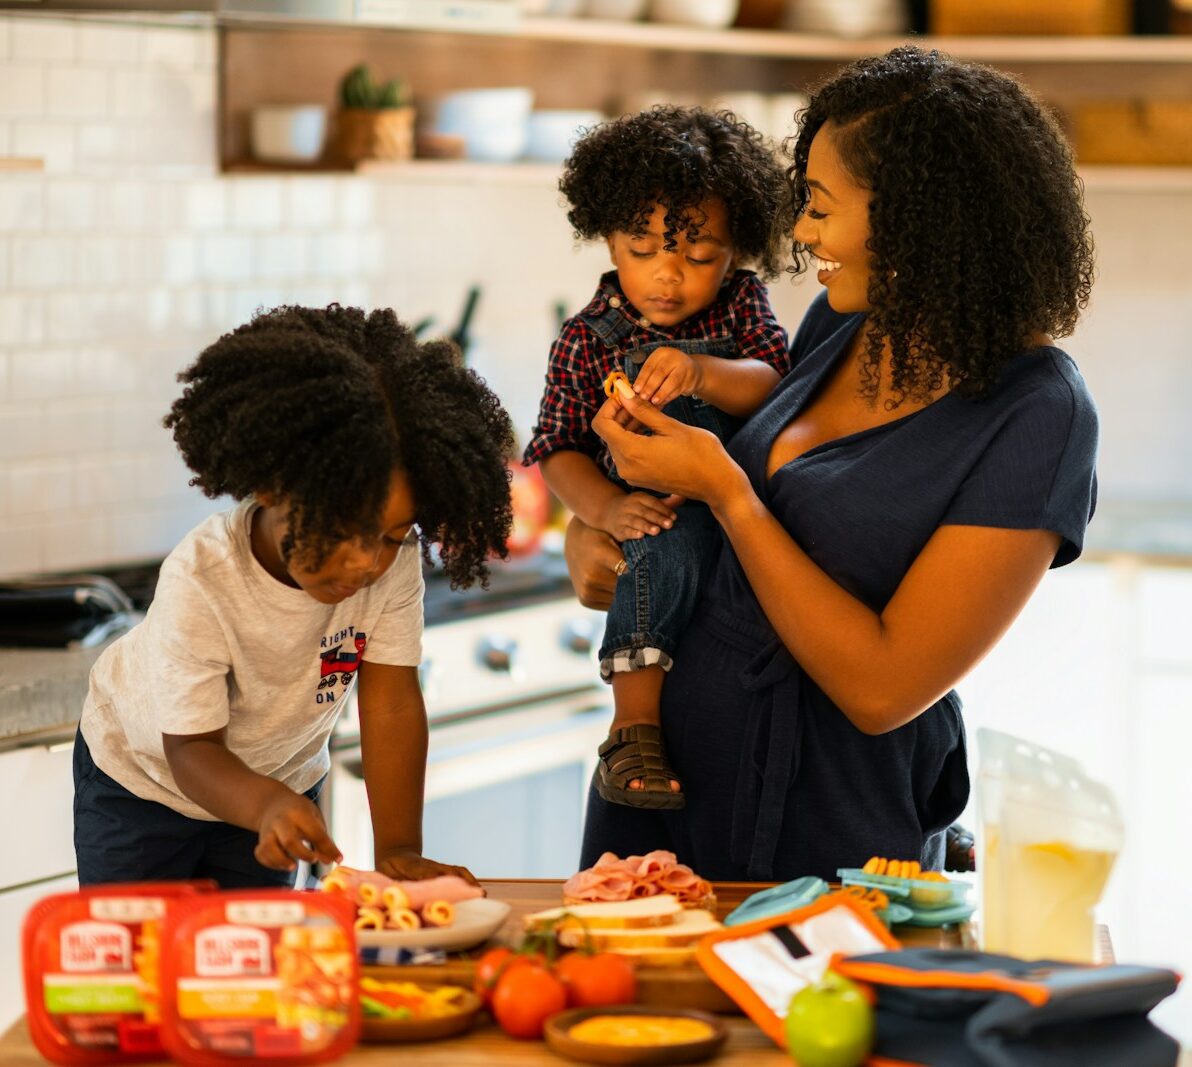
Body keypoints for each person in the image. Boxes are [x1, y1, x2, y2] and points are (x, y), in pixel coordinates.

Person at [567, 45, 1099, 881]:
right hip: (666, 786)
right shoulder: (844, 324)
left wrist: (728, 493)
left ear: (920, 218)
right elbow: (709, 513)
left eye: (819, 206)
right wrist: (599, 522)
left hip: (834, 822)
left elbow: (883, 686)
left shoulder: (1039, 414)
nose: (803, 232)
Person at [73, 305, 514, 888]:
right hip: (143, 787)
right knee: (143, 963)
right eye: (344, 528)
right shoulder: (203, 579)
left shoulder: (393, 567)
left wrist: (400, 848)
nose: (365, 561)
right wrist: (266, 805)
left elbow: (391, 703)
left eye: (388, 536)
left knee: (265, 962)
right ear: (272, 485)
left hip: (276, 788)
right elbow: (189, 750)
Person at [523, 105, 793, 812]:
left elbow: (772, 382)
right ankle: (632, 728)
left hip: (734, 516)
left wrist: (703, 374)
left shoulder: (740, 308)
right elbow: (556, 449)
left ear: (735, 251)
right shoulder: (586, 339)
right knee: (659, 552)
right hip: (654, 512)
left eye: (699, 256)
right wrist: (606, 508)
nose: (667, 275)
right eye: (642, 251)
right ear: (606, 236)